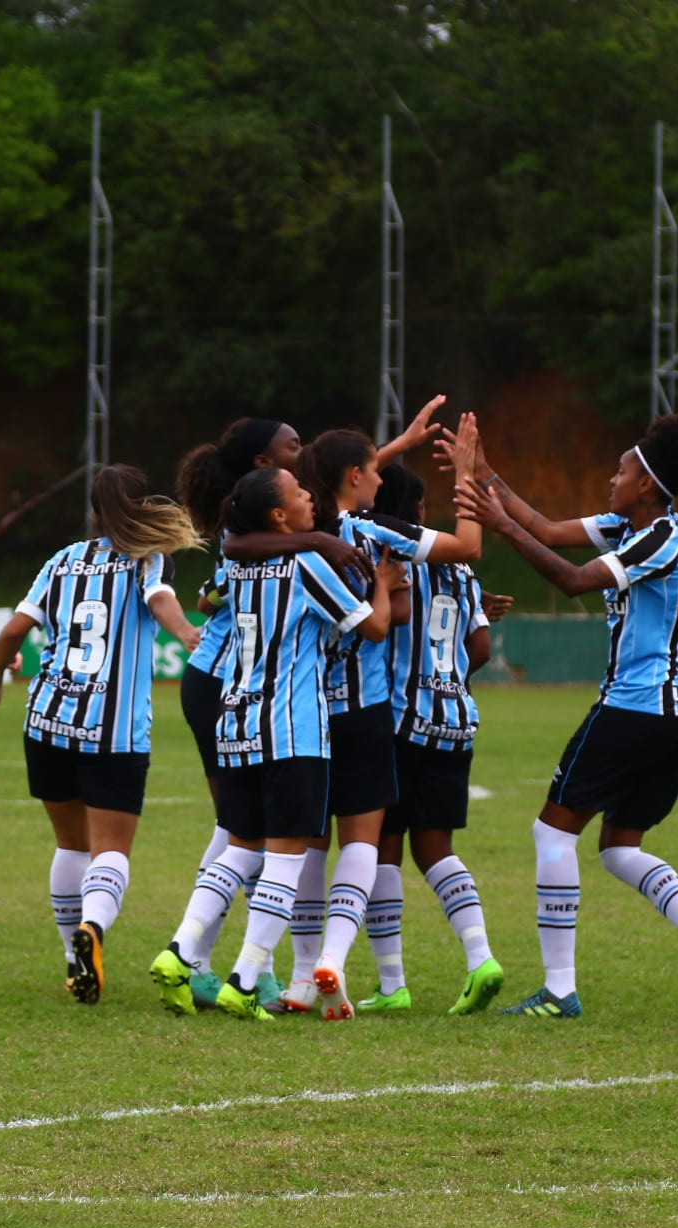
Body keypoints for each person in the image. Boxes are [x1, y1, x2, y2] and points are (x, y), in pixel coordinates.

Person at [453, 414, 678, 1019]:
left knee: (552, 832)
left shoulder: (660, 537)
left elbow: (574, 580)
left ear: (647, 485)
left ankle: (559, 991)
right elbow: (547, 529)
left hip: (637, 709)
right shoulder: (629, 526)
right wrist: (484, 474)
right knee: (617, 847)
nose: (613, 478)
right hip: (676, 715)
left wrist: (497, 523)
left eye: (623, 469)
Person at [169, 399, 449, 1010]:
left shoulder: (250, 536)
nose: (306, 462)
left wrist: (390, 451)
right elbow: (377, 622)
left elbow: (333, 484)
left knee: (243, 834)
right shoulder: (295, 554)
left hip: (233, 692)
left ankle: (201, 955)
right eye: (295, 455)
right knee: (272, 840)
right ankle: (253, 971)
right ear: (266, 472)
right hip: (279, 702)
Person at [150, 466, 398, 1020]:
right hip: (292, 729)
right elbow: (374, 628)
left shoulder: (237, 563)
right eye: (298, 492)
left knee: (238, 847)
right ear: (280, 516)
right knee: (285, 858)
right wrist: (383, 581)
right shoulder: (307, 565)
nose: (311, 495)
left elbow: (216, 590)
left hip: (235, 719)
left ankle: (181, 949)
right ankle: (244, 978)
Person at [0, 466, 203, 1004]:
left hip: (47, 719)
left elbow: (12, 631)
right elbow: (161, 598)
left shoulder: (62, 561)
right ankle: (92, 930)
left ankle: (71, 961)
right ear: (139, 506)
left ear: (94, 512)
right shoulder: (148, 559)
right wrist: (187, 631)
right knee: (111, 850)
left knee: (70, 844)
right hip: (112, 730)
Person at [280, 421, 483, 1019]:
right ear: (353, 477)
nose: (379, 478)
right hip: (366, 713)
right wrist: (467, 474)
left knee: (310, 846)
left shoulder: (297, 534)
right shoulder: (373, 531)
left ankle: (295, 974)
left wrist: (393, 447)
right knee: (363, 842)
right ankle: (336, 961)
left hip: (311, 712)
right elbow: (467, 546)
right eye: (372, 469)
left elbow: (336, 476)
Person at [357, 461, 505, 1016]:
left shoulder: (386, 559)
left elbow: (389, 618)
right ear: (419, 512)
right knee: (437, 849)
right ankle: (480, 958)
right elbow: (482, 649)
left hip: (397, 723)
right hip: (454, 721)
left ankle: (392, 984)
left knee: (382, 852)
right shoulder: (462, 573)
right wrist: (446, 683)